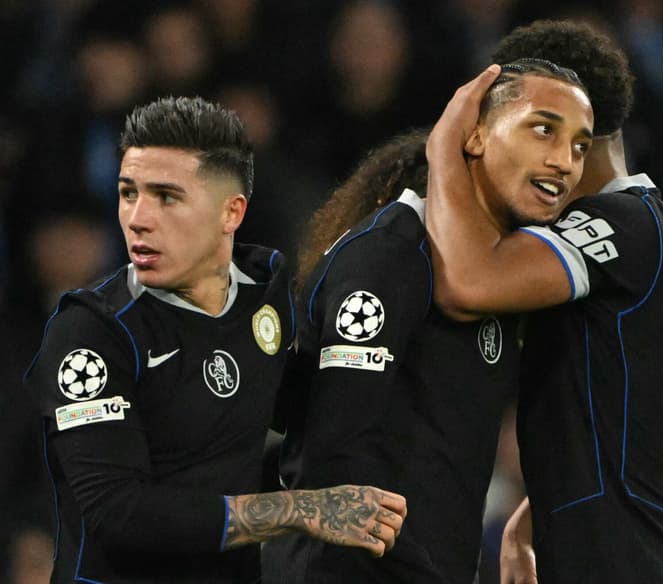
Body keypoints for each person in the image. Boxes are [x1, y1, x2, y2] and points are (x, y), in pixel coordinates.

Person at [22, 96, 406, 583]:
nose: (138, 218)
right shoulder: (93, 331)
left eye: (166, 197)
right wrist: (300, 510)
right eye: (128, 193)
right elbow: (118, 512)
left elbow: (302, 409)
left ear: (231, 212)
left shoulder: (264, 294)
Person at [266, 59, 594, 583]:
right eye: (543, 130)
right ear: (476, 135)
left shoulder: (498, 280)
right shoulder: (391, 254)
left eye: (580, 146)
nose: (564, 161)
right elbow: (334, 460)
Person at [425, 20, 663, 582]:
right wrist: (537, 511)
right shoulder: (643, 225)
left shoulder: (620, 223)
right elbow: (619, 406)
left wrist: (443, 147)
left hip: (635, 565)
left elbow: (468, 285)